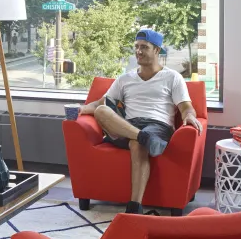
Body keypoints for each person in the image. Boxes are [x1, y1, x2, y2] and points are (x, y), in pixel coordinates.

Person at [79, 29, 202, 214]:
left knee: (137, 145)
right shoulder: (125, 78)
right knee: (102, 111)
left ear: (157, 50)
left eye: (144, 47)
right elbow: (101, 103)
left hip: (158, 126)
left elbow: (186, 107)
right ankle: (143, 138)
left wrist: (189, 116)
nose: (138, 51)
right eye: (136, 47)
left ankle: (134, 207)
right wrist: (81, 109)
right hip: (128, 126)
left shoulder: (172, 77)